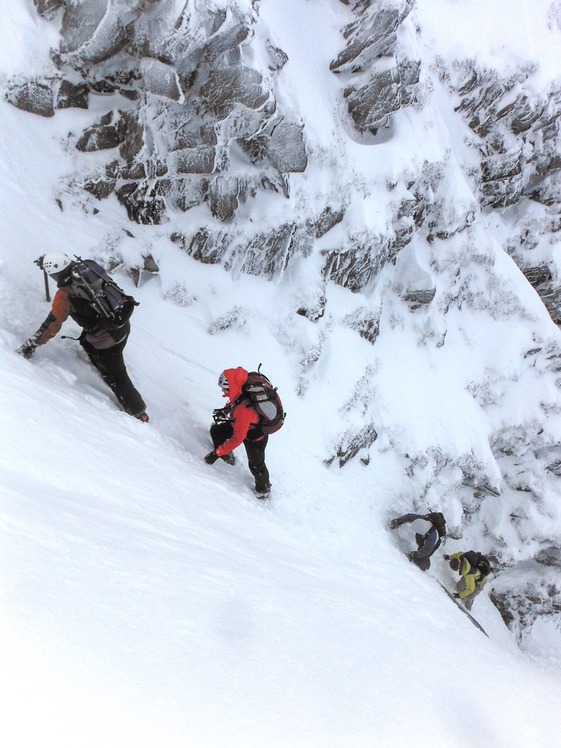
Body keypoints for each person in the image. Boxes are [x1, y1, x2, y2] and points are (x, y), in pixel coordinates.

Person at [18, 252, 148, 421]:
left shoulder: (65, 295)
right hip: (121, 324)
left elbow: (52, 324)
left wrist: (32, 344)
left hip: (106, 340)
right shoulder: (88, 268)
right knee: (88, 343)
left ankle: (139, 412)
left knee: (117, 376)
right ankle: (97, 362)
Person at [204, 367, 272, 498]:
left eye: (225, 388)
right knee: (216, 432)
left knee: (256, 465)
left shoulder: (243, 411)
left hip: (255, 437)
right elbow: (237, 401)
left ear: (232, 387)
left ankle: (263, 490)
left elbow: (238, 438)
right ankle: (227, 456)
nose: (222, 391)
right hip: (243, 425)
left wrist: (217, 453)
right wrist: (225, 410)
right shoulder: (242, 388)